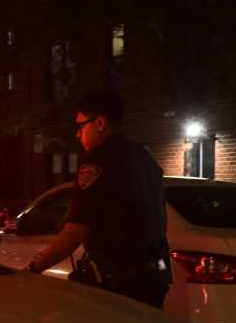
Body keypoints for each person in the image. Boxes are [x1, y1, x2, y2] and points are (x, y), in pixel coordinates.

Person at [26, 88, 171, 308]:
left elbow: (75, 231)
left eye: (81, 125)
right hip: (153, 280)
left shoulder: (99, 164)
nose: (78, 134)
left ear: (100, 123)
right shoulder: (145, 158)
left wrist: (34, 268)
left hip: (117, 288)